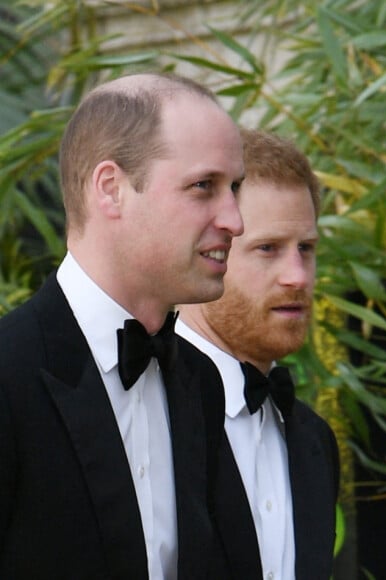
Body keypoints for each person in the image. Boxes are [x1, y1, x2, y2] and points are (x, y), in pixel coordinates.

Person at [0, 72, 245, 579]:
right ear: (111, 189)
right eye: (204, 186)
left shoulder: (200, 382)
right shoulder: (9, 373)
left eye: (234, 189)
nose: (235, 220)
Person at [177, 129, 340, 580]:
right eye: (268, 249)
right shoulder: (137, 409)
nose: (297, 276)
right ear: (207, 249)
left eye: (306, 249)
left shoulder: (314, 441)